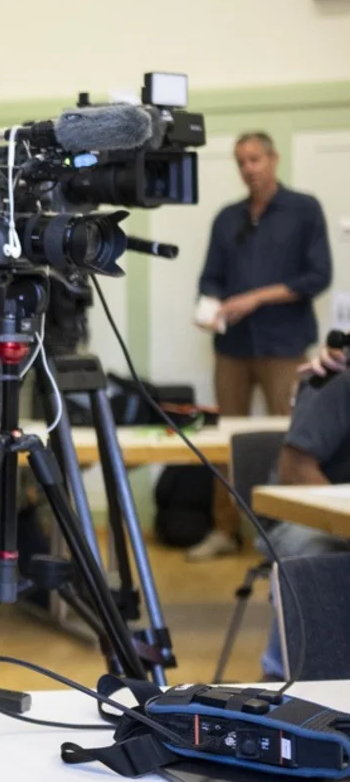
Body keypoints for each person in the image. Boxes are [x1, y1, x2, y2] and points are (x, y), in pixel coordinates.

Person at [190, 131, 333, 561]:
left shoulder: (304, 210)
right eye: (241, 161)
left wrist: (256, 297)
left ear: (274, 159)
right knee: (224, 442)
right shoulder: (227, 217)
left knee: (291, 440)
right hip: (232, 347)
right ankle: (223, 529)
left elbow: (317, 276)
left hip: (285, 346)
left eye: (255, 159)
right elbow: (209, 277)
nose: (248, 168)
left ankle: (291, 530)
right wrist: (210, 307)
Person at [260, 372, 350, 679]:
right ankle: (284, 677)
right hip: (305, 514)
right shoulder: (335, 379)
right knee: (319, 556)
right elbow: (294, 467)